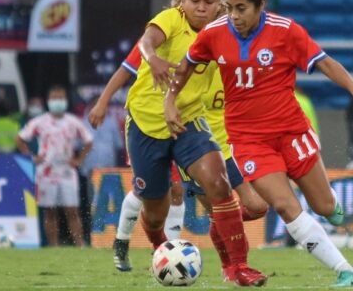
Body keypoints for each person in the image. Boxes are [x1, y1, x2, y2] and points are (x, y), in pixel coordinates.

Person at [165, 0, 353, 287]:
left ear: (260, 5)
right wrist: (170, 100)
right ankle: (346, 270)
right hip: (250, 141)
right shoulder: (213, 34)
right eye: (230, 7)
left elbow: (323, 62)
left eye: (241, 9)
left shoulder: (285, 31)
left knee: (324, 206)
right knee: (284, 205)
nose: (234, 16)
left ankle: (331, 208)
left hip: (291, 131)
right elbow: (185, 67)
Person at [123, 0, 267, 286]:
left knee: (219, 184)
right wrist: (153, 59)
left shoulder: (222, 31)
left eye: (208, 2)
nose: (201, 7)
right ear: (182, 1)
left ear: (219, 5)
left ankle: (238, 268)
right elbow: (147, 41)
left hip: (189, 119)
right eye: (194, 1)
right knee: (157, 209)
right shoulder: (171, 20)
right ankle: (160, 246)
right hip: (147, 123)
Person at [91, 36, 267, 279]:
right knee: (152, 194)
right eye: (195, 1)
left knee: (244, 205)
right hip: (152, 128)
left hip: (200, 137)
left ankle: (225, 263)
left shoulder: (220, 41)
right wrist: (103, 102)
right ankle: (125, 242)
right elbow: (127, 68)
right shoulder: (161, 36)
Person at [16, 85, 94, 247]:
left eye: (60, 98)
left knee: (72, 210)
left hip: (67, 171)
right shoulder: (40, 121)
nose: (57, 101)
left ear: (65, 101)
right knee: (49, 211)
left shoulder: (73, 122)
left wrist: (79, 159)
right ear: (48, 101)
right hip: (46, 172)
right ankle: (54, 245)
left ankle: (79, 243)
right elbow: (20, 138)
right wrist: (31, 157)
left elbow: (88, 140)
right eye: (54, 98)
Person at [79, 95, 125, 245]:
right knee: (91, 203)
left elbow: (118, 147)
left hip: (109, 172)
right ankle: (91, 236)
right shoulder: (81, 123)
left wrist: (118, 169)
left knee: (110, 204)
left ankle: (110, 237)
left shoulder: (111, 122)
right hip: (89, 171)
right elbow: (75, 147)